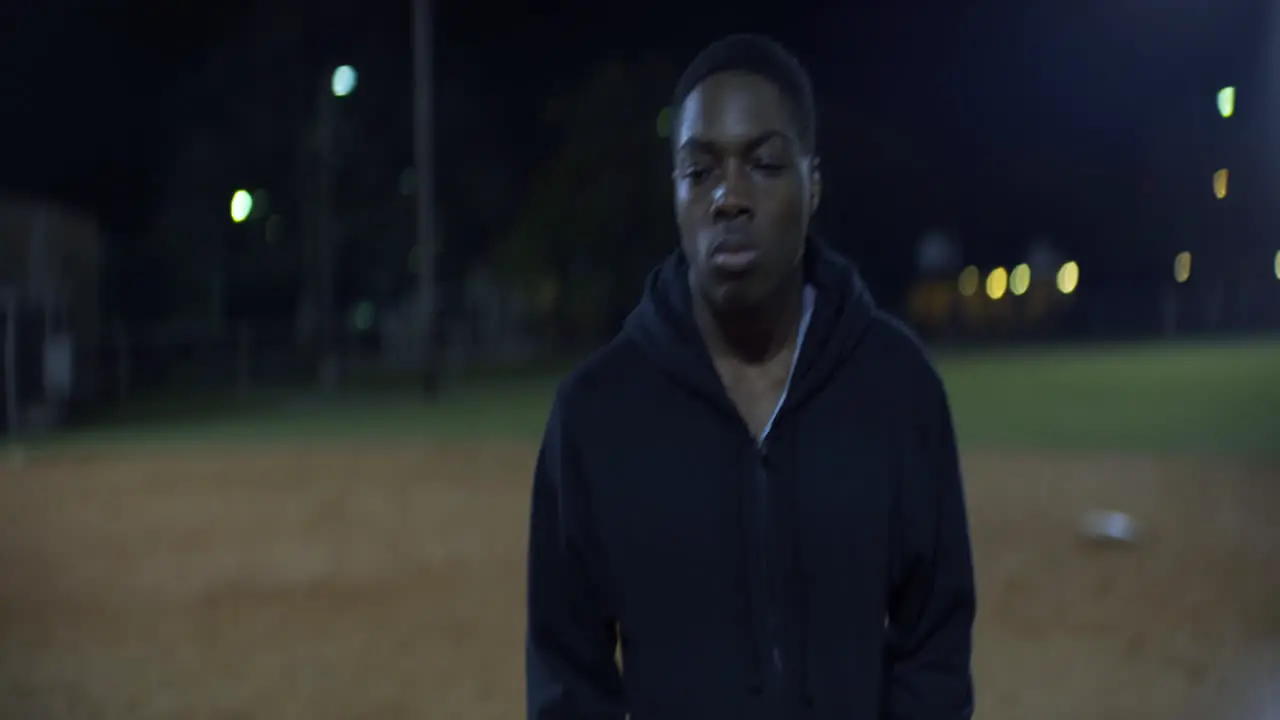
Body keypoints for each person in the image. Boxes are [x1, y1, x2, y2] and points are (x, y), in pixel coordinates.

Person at [526, 33, 975, 720]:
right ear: (674, 194)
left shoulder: (897, 388)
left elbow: (933, 642)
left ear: (812, 183)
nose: (728, 197)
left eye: (763, 164)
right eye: (699, 171)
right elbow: (566, 677)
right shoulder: (595, 415)